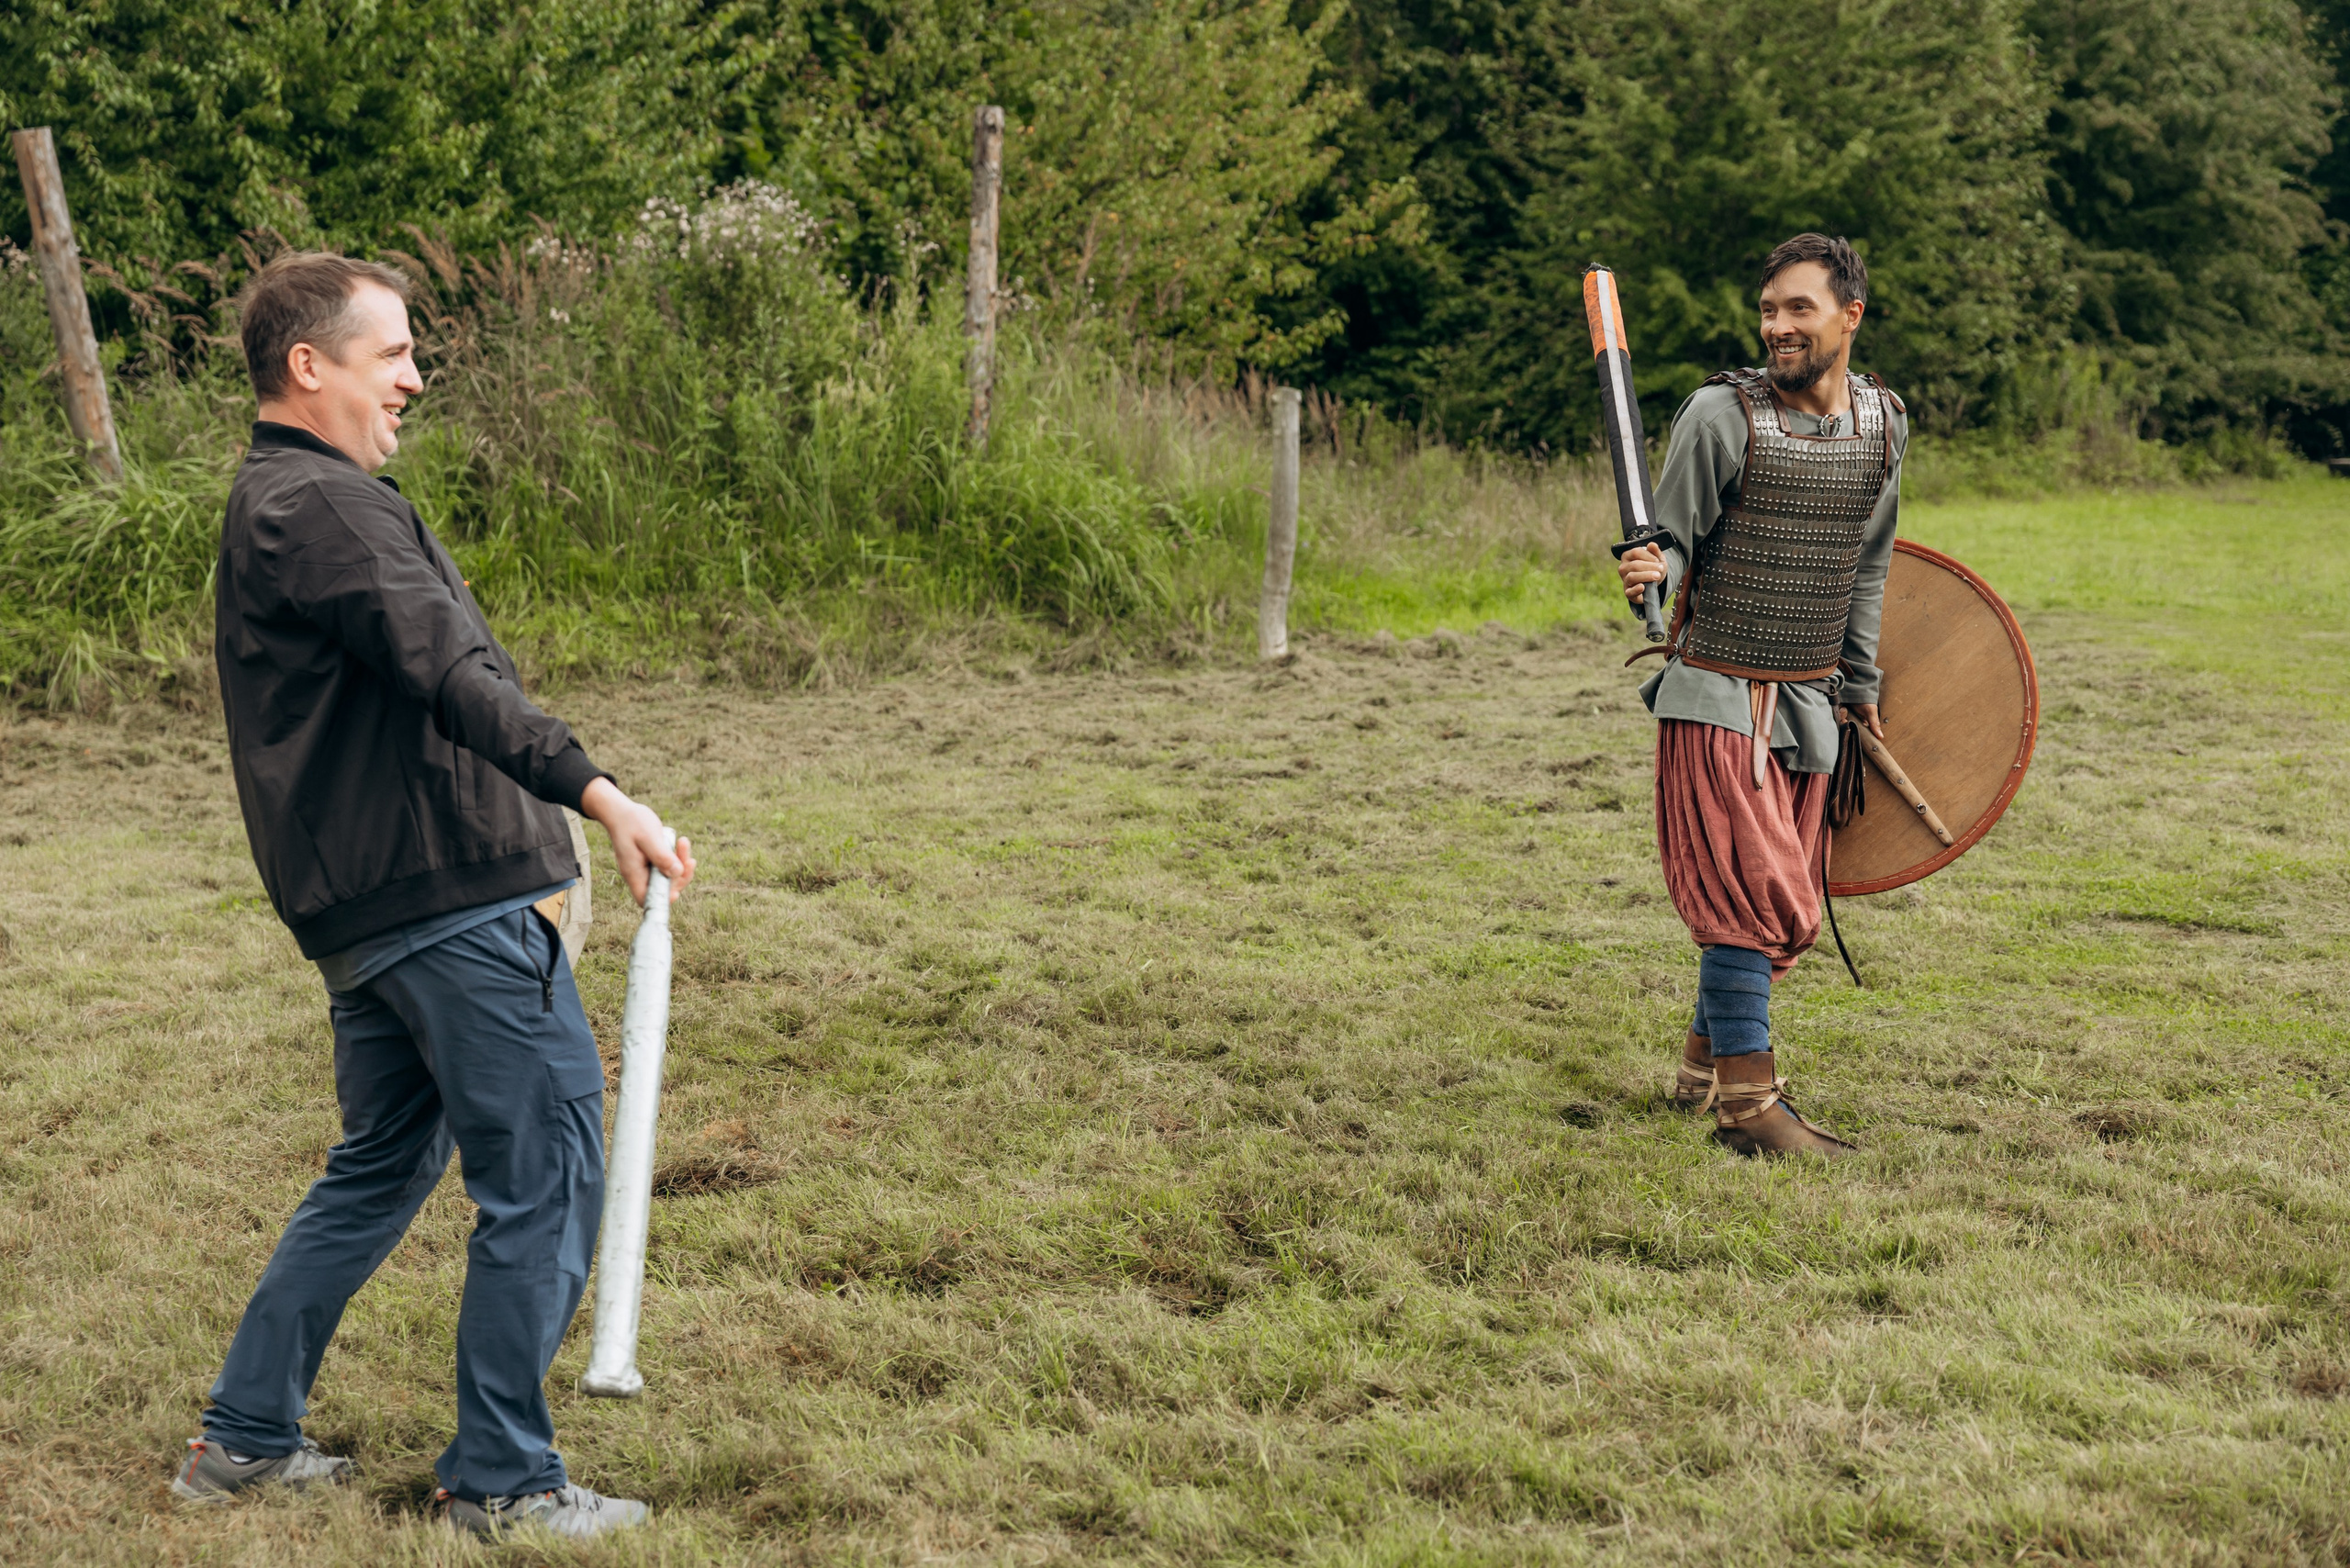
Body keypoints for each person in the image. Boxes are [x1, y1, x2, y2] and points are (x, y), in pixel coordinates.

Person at [172, 252, 695, 1539]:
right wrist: (599, 792)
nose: (412, 377)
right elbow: (453, 672)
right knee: (552, 1164)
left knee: (380, 1168)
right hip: (443, 902)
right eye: (391, 352)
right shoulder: (328, 506)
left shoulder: (283, 502)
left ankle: (242, 1440)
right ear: (310, 365)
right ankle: (503, 1483)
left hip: (373, 913)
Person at [1615, 232, 1907, 1158]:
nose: (1777, 326)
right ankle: (1749, 1103)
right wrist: (1650, 567)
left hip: (1809, 700)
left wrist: (1858, 687)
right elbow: (1671, 546)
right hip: (1715, 693)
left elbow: (1868, 566)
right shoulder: (1719, 415)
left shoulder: (1883, 425)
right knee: (1756, 896)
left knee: (1780, 907)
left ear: (1849, 315)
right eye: (1768, 310)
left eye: (1798, 309)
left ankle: (1701, 1073)